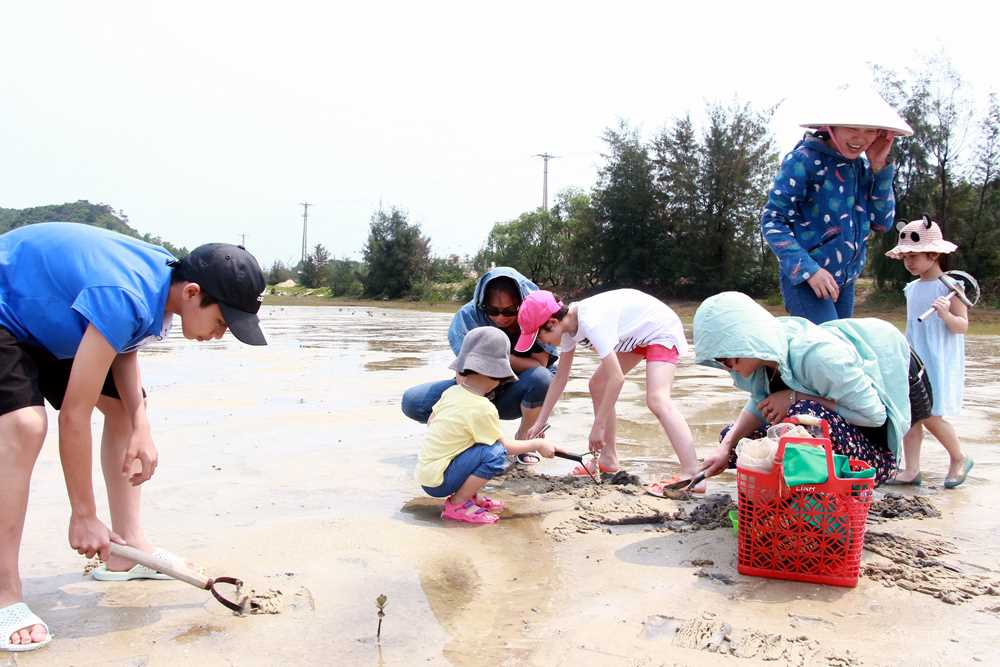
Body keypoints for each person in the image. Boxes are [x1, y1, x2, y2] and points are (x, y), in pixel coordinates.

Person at [0, 222, 266, 652]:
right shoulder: (127, 292)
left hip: (48, 318)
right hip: (7, 307)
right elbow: (74, 416)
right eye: (222, 322)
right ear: (193, 293)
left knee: (124, 410)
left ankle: (127, 552)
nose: (221, 335)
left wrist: (141, 421)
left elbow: (125, 342)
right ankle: (4, 593)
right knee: (24, 425)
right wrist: (83, 514)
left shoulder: (164, 287)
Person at [693, 291, 913, 486]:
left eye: (725, 357)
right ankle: (787, 493)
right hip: (828, 441)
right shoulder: (765, 362)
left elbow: (874, 417)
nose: (725, 366)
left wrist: (793, 397)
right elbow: (758, 405)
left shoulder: (819, 357)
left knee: (806, 413)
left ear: (746, 340)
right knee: (735, 439)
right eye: (718, 359)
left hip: (869, 459)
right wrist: (725, 447)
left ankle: (816, 495)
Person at [517, 289, 700, 493]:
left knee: (657, 399)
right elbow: (560, 378)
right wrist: (541, 421)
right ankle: (608, 459)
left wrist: (599, 426)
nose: (543, 343)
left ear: (552, 322)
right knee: (598, 385)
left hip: (659, 329)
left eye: (539, 336)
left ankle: (693, 474)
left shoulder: (591, 322)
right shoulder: (568, 327)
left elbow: (617, 378)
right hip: (634, 336)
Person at [761, 85, 913, 324]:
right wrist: (809, 270)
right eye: (852, 128)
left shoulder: (863, 168)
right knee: (828, 349)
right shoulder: (803, 161)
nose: (860, 139)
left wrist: (879, 168)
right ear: (830, 127)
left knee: (840, 350)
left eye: (870, 131)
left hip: (845, 280)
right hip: (808, 278)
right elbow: (773, 220)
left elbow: (882, 223)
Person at [401, 267, 556, 454]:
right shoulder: (468, 316)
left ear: (520, 305)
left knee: (542, 378)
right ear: (483, 305)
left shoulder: (536, 311)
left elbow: (540, 365)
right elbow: (463, 370)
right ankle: (467, 441)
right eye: (493, 310)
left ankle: (525, 441)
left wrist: (499, 357)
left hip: (520, 387)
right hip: (476, 385)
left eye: (509, 311)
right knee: (413, 401)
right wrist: (466, 408)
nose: (500, 318)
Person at [416, 327, 556, 524]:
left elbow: (432, 421)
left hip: (428, 474)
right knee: (494, 454)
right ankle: (458, 504)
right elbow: (505, 447)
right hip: (440, 483)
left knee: (476, 443)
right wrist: (538, 445)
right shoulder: (483, 407)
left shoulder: (451, 393)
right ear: (498, 377)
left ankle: (471, 495)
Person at [884, 217, 974, 488]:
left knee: (931, 414)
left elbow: (962, 326)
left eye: (914, 256)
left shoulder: (950, 287)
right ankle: (911, 470)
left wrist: (946, 313)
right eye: (905, 257)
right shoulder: (912, 288)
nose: (909, 262)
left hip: (938, 361)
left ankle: (959, 457)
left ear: (933, 254)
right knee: (910, 414)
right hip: (914, 360)